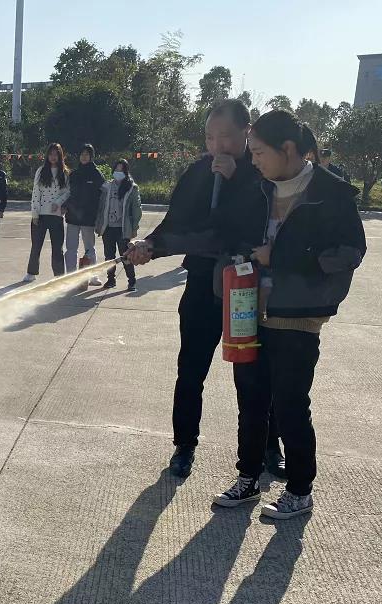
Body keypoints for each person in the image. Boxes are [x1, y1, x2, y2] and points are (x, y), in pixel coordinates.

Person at [131, 110, 366, 519]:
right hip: (248, 306)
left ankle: (299, 488)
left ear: (285, 149)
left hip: (297, 314)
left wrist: (283, 256)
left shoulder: (329, 193)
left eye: (257, 151)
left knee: (290, 402)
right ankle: (247, 475)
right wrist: (155, 244)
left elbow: (349, 253)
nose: (252, 159)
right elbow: (217, 231)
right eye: (210, 137)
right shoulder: (258, 188)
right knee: (250, 396)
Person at [136, 99, 285, 479]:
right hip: (204, 282)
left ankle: (268, 448)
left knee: (253, 375)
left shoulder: (262, 172)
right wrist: (149, 246)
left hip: (244, 287)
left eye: (225, 137)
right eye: (209, 137)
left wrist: (236, 180)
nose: (217, 146)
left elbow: (256, 223)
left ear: (245, 133)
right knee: (191, 368)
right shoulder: (198, 172)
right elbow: (178, 222)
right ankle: (184, 445)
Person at [23, 143, 70, 283]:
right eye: (50, 154)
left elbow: (68, 191)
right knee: (36, 245)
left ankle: (59, 275)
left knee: (57, 247)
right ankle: (31, 273)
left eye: (56, 154)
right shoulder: (41, 170)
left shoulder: (65, 173)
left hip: (56, 215)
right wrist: (35, 214)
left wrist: (59, 202)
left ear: (60, 155)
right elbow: (36, 193)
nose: (53, 157)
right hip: (41, 215)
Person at [94, 159, 141, 292]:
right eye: (116, 170)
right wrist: (99, 225)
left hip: (122, 228)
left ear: (126, 172)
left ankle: (132, 281)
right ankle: (111, 279)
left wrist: (134, 227)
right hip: (108, 227)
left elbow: (137, 209)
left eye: (121, 170)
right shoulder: (107, 186)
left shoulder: (132, 188)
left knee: (125, 256)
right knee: (109, 256)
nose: (118, 172)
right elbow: (101, 207)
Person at [65, 144, 106, 285]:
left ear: (91, 156)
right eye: (82, 154)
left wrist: (99, 216)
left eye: (86, 154)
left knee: (90, 248)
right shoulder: (74, 174)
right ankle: (70, 276)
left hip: (88, 218)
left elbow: (103, 195)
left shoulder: (97, 174)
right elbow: (67, 194)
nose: (84, 157)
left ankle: (93, 276)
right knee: (71, 249)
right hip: (72, 217)